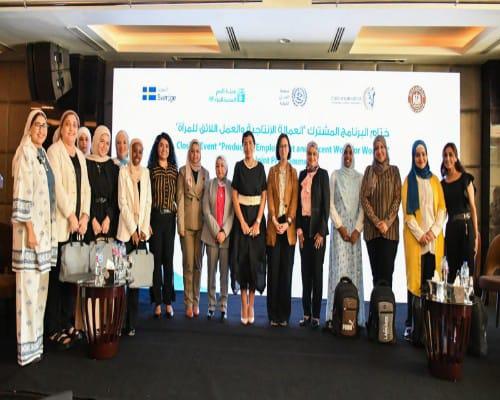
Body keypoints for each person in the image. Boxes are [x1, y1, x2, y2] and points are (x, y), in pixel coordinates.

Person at [12, 110, 57, 365]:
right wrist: (29, 229)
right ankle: (25, 350)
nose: (41, 129)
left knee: (40, 292)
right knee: (27, 294)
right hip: (29, 236)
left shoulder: (42, 155)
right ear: (29, 127)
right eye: (37, 125)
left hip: (43, 235)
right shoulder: (25, 153)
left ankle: (35, 346)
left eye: (44, 126)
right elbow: (22, 193)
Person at [46, 110, 91, 349]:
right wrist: (71, 216)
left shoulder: (81, 156)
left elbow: (86, 189)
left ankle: (66, 323)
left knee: (70, 278)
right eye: (68, 124)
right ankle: (53, 328)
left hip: (77, 227)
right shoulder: (54, 152)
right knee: (56, 279)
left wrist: (84, 216)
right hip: (62, 226)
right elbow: (57, 188)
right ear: (61, 128)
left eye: (75, 124)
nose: (72, 128)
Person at [402, 140, 446, 340]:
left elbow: (442, 209)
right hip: (416, 241)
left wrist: (433, 232)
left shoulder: (435, 181)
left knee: (431, 283)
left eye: (423, 154)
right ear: (413, 157)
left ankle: (430, 326)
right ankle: (411, 325)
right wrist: (421, 235)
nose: (421, 158)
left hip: (433, 242)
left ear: (427, 156)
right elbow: (408, 214)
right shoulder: (408, 181)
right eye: (417, 155)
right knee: (414, 284)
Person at [326, 144, 365, 328]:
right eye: (345, 152)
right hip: (339, 231)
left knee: (354, 272)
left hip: (354, 234)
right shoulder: (334, 176)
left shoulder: (360, 178)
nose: (348, 156)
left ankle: (354, 317)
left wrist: (357, 229)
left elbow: (363, 207)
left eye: (350, 153)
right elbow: (330, 204)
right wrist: (340, 226)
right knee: (339, 272)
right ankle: (335, 316)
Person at [117, 138, 152, 336]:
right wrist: (132, 230)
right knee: (123, 279)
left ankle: (131, 324)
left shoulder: (145, 173)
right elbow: (122, 203)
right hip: (126, 233)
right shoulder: (123, 172)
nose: (137, 155)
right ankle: (119, 322)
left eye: (140, 152)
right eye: (134, 151)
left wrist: (143, 229)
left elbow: (148, 202)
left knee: (135, 282)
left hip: (141, 233)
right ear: (130, 152)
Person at [232, 131, 267, 325]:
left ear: (254, 145)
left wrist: (258, 222)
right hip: (242, 222)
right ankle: (243, 304)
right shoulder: (238, 167)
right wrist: (243, 223)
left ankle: (252, 305)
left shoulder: (260, 167)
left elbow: (264, 195)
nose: (248, 146)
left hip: (257, 223)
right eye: (245, 143)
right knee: (242, 262)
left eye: (250, 143)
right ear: (242, 146)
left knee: (255, 263)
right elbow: (234, 195)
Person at [266, 134, 298, 327]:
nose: (283, 149)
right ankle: (273, 315)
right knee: (274, 272)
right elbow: (270, 197)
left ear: (289, 149)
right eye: (281, 146)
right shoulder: (272, 171)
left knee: (286, 273)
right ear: (277, 150)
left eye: (286, 146)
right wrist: (273, 218)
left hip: (288, 228)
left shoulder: (294, 173)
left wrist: (288, 222)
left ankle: (284, 315)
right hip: (273, 226)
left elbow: (294, 201)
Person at [360, 135, 401, 287]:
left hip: (390, 233)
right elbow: (364, 198)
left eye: (382, 147)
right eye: (376, 148)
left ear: (386, 149)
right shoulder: (369, 171)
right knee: (376, 277)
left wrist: (387, 223)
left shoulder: (394, 171)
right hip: (372, 232)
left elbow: (397, 198)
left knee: (387, 276)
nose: (379, 151)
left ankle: (387, 303)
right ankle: (376, 303)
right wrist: (377, 222)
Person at [296, 141, 330, 329]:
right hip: (304, 231)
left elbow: (326, 207)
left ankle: (316, 316)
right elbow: (297, 206)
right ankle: (306, 314)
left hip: (318, 233)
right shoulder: (301, 175)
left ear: (318, 156)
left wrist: (321, 233)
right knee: (305, 274)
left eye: (314, 154)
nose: (311, 157)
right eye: (309, 153)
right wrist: (299, 230)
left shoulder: (323, 175)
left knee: (317, 274)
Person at [177, 139, 209, 318]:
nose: (195, 154)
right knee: (188, 264)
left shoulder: (206, 173)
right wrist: (180, 225)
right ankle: (188, 303)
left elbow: (208, 202)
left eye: (198, 151)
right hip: (187, 227)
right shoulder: (183, 172)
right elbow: (180, 199)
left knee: (198, 265)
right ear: (189, 153)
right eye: (192, 151)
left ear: (200, 154)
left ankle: (196, 302)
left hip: (202, 226)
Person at [148, 133, 178, 318]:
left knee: (168, 260)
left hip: (170, 219)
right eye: (161, 146)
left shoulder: (174, 170)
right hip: (155, 218)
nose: (164, 149)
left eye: (167, 146)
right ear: (156, 148)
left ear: (170, 149)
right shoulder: (151, 169)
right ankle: (157, 302)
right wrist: (146, 223)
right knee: (156, 260)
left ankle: (168, 302)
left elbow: (178, 196)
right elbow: (146, 198)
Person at [201, 156, 234, 322]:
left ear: (226, 168)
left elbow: (232, 213)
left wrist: (224, 232)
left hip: (226, 238)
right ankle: (211, 305)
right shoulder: (209, 185)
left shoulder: (231, 186)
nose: (219, 168)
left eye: (222, 166)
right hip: (211, 236)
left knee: (224, 274)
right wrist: (217, 232)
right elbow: (206, 211)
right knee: (211, 272)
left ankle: (223, 305)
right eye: (217, 166)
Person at [441, 142, 479, 282]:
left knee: (467, 271)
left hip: (466, 228)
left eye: (451, 155)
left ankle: (468, 297)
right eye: (445, 155)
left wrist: (476, 236)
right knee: (452, 272)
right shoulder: (442, 185)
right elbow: (443, 212)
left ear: (456, 158)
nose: (448, 158)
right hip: (451, 229)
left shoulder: (465, 178)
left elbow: (473, 207)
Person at [85, 125, 119, 242]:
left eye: (107, 143)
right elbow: (84, 194)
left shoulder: (112, 166)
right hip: (90, 217)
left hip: (107, 219)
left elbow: (115, 196)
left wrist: (108, 218)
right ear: (95, 141)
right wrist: (92, 219)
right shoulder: (86, 163)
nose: (105, 146)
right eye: (102, 141)